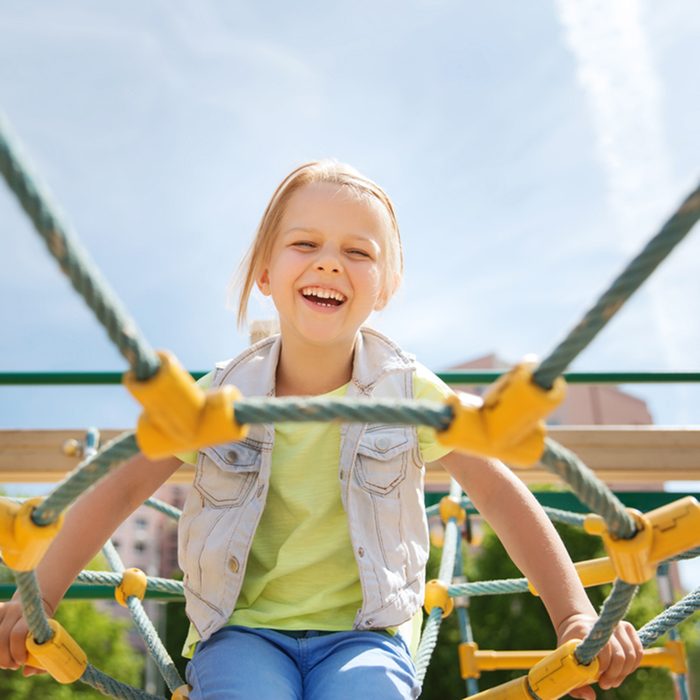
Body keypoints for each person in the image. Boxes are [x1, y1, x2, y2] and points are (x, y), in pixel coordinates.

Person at [0, 160, 642, 699]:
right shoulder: (218, 397)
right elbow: (119, 486)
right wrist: (41, 600)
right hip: (242, 632)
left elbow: (500, 492)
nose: (330, 263)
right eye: (305, 245)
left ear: (385, 287)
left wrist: (574, 613)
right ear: (265, 273)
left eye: (358, 252)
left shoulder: (409, 389)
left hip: (367, 636)